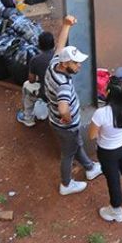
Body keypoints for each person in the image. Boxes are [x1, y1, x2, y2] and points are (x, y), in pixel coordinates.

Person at [44, 18, 103, 196]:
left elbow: (60, 45)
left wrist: (66, 25)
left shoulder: (54, 64)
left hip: (58, 122)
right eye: (75, 63)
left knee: (75, 145)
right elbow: (63, 109)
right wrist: (68, 119)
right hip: (65, 126)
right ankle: (66, 184)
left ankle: (90, 167)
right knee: (68, 154)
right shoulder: (63, 85)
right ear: (65, 64)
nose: (79, 66)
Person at [89, 79, 122, 222]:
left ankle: (116, 210)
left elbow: (92, 135)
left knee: (113, 179)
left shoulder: (101, 113)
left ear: (108, 93)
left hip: (108, 151)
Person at [18, 24, 68, 127]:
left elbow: (31, 80)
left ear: (39, 45)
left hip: (46, 94)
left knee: (27, 86)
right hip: (62, 92)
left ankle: (28, 118)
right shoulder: (59, 57)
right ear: (53, 44)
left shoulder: (35, 60)